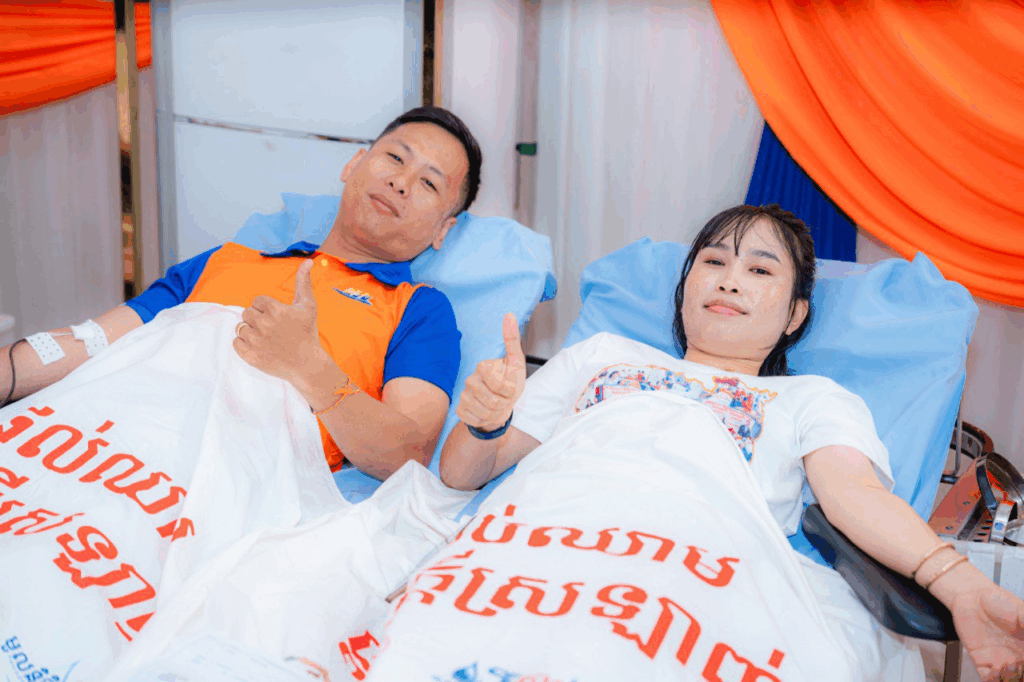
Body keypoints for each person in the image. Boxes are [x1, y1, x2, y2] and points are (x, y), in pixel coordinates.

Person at [413, 205, 1022, 681]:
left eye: (760, 270)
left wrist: (960, 585)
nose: (730, 281)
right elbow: (462, 474)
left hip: (690, 570)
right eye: (713, 262)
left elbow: (856, 495)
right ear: (684, 288)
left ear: (794, 315)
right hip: (543, 546)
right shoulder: (600, 356)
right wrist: (484, 423)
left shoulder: (812, 398)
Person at [0, 106, 482, 481]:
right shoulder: (227, 259)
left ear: (443, 229)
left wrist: (311, 369)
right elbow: (91, 342)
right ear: (354, 163)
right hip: (95, 436)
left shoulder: (419, 310)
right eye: (395, 158)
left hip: (211, 480)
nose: (401, 182)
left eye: (428, 183)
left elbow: (407, 454)